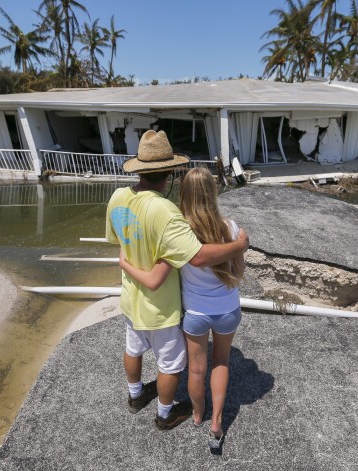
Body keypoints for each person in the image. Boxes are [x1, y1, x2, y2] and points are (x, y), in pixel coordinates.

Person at [106, 130, 248, 432]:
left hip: (131, 299)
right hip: (160, 308)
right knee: (169, 365)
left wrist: (126, 261)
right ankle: (165, 414)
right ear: (169, 173)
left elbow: (118, 238)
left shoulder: (117, 197)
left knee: (133, 348)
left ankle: (135, 396)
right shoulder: (165, 211)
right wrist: (237, 246)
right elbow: (197, 256)